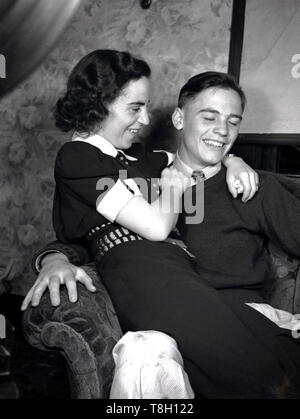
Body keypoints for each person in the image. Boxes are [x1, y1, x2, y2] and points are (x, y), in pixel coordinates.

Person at [24, 50, 298, 399]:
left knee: (270, 371)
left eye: (233, 121)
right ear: (181, 120)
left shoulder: (146, 161)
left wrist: (235, 161)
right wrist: (53, 258)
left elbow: (196, 155)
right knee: (145, 354)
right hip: (157, 290)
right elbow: (85, 229)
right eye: (135, 108)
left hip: (212, 299)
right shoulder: (104, 162)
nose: (145, 118)